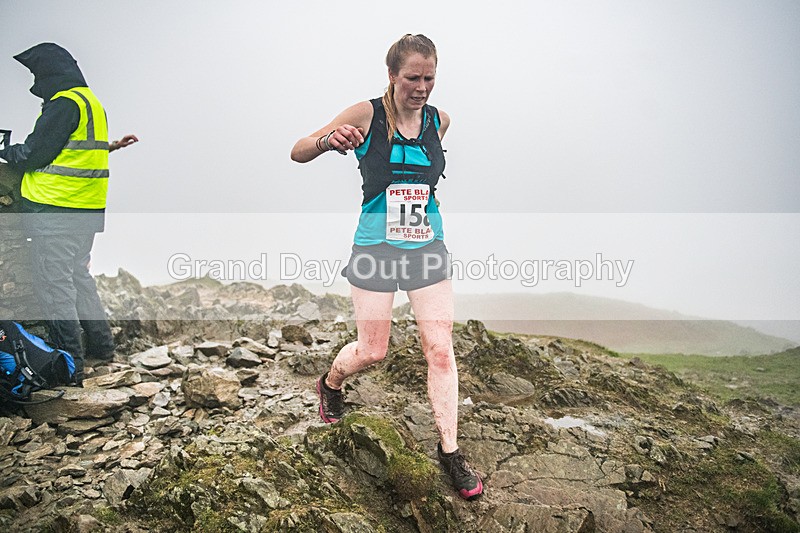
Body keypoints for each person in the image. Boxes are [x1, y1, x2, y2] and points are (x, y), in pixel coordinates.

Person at [291, 34, 483, 500]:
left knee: (439, 348)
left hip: (426, 247)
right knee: (372, 351)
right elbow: (298, 150)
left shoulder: (441, 121)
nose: (422, 87)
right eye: (413, 78)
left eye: (430, 78)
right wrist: (327, 140)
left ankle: (450, 451)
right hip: (376, 248)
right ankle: (331, 382)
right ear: (393, 75)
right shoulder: (367, 114)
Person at [0, 43, 138, 386]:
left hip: (56, 209)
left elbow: (34, 153)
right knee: (78, 277)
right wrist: (114, 146)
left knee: (54, 285)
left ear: (49, 75)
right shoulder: (90, 102)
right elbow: (78, 148)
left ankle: (70, 365)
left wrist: (7, 149)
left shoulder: (64, 104)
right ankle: (102, 348)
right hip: (86, 208)